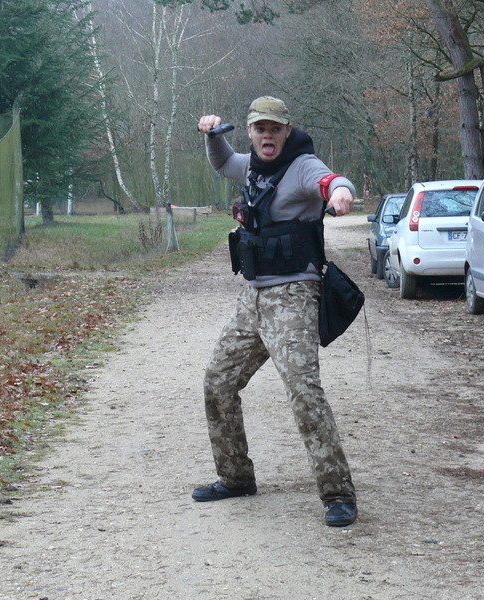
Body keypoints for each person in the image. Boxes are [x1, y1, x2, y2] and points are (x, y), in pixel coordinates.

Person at [192, 96, 358, 527]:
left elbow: (331, 181)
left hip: (293, 296)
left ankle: (338, 493)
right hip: (253, 298)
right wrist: (211, 135)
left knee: (304, 391)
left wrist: (341, 194)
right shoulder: (250, 165)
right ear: (250, 132)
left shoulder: (302, 166)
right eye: (260, 129)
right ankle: (235, 478)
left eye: (275, 129)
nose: (268, 136)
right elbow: (223, 161)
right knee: (218, 382)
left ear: (287, 131)